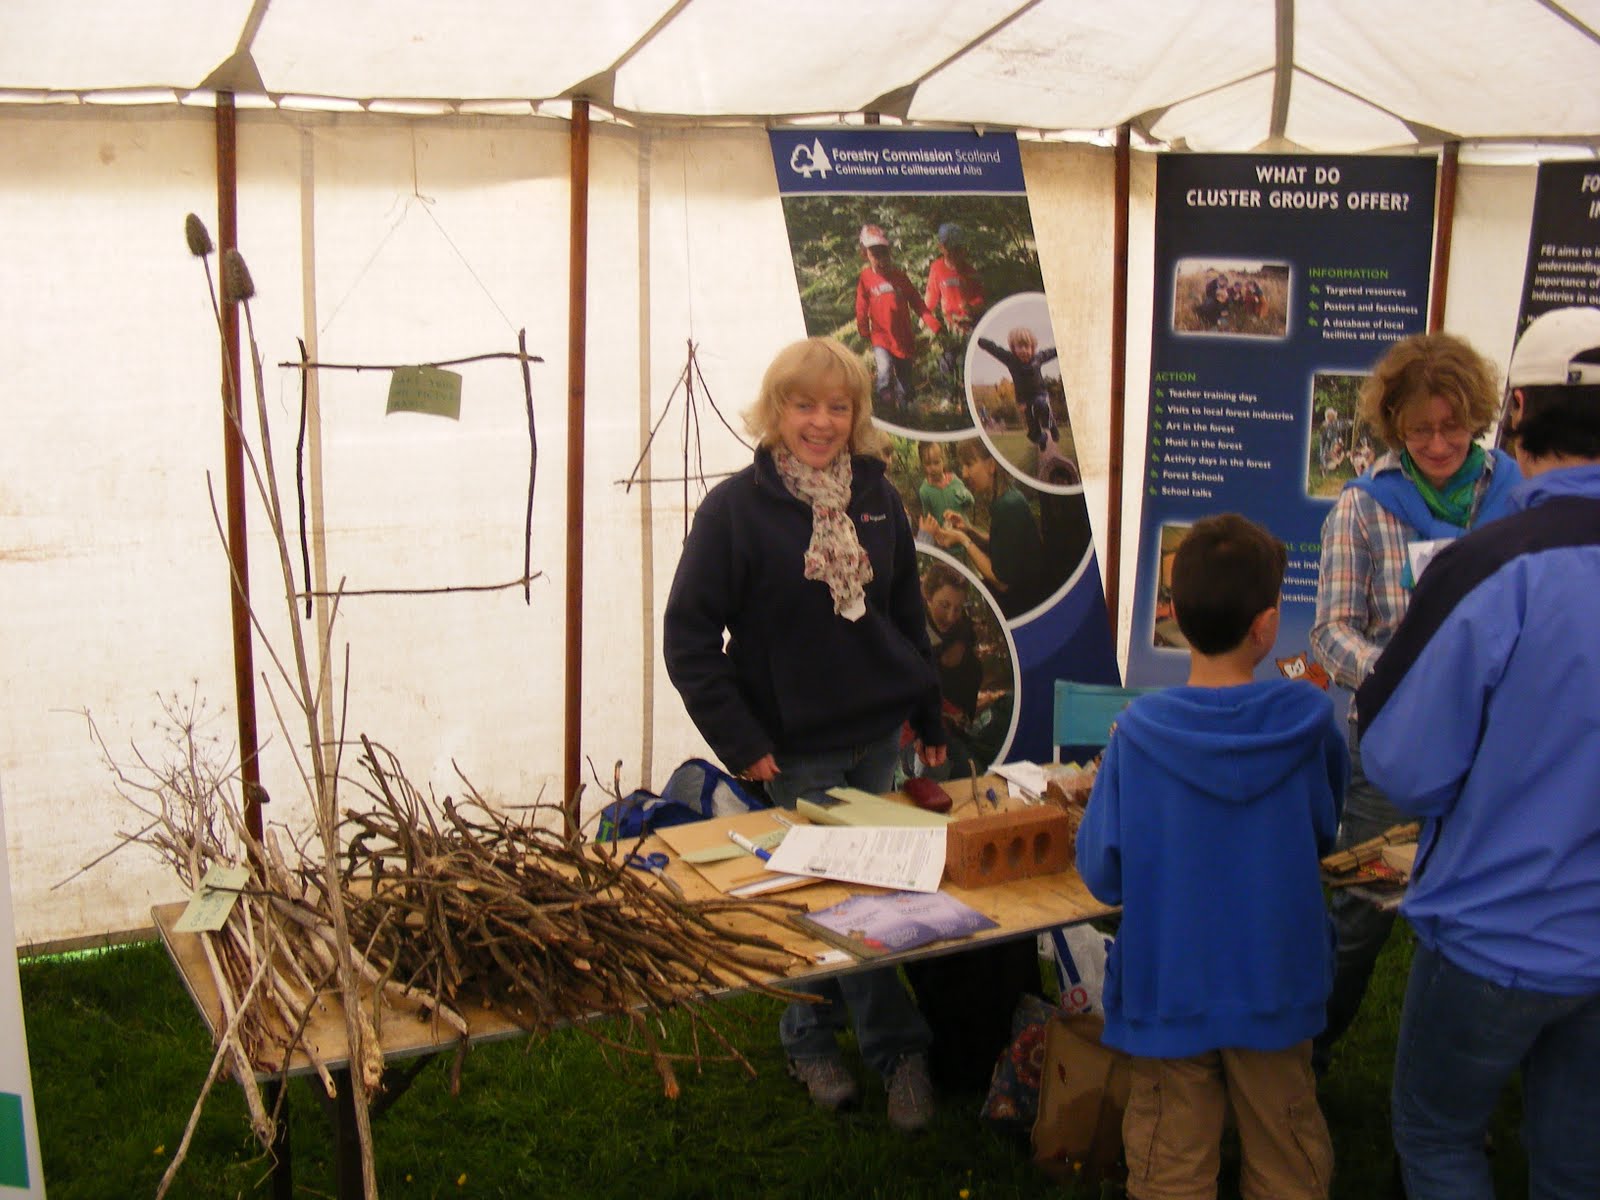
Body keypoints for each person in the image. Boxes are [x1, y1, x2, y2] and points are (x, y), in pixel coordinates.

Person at [662, 336, 947, 1132]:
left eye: (838, 405)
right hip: (796, 749)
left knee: (843, 897)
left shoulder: (879, 497)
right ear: (775, 409)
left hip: (877, 738)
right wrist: (742, 739)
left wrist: (926, 714)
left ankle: (806, 1034)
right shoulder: (735, 510)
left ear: (855, 414)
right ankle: (899, 1054)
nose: (821, 421)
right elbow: (689, 639)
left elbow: (902, 617)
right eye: (804, 404)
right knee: (851, 902)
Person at [1355, 306, 1600, 1200]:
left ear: (1518, 412)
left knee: (1439, 1135)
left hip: (1498, 931)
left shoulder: (1496, 564)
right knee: (1577, 1163)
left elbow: (1403, 764)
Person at [1076, 513, 1348, 1200]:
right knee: (1288, 1154)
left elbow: (1102, 874)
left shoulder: (1136, 736)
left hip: (1169, 981)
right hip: (1275, 976)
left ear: (1175, 619)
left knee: (1171, 1160)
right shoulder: (1311, 724)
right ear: (1266, 627)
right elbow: (1323, 828)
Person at [1308, 331, 1521, 1074]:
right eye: (1421, 429)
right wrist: (1401, 674)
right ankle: (1306, 1055)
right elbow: (1331, 633)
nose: (1438, 444)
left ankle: (1457, 1083)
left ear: (1479, 417)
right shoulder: (1364, 509)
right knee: (1360, 918)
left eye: (1453, 426)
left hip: (1494, 745)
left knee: (1475, 919)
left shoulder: (1512, 496)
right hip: (1394, 743)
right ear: (1394, 424)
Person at [932, 440, 1049, 619]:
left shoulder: (1008, 506)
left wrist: (963, 540)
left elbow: (1001, 581)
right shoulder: (1007, 497)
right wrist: (967, 530)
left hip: (1025, 609)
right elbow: (1001, 544)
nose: (963, 473)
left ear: (991, 465)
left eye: (969, 464)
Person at [856, 224, 940, 418]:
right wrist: (863, 330)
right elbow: (861, 306)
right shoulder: (866, 278)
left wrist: (933, 324)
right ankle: (886, 412)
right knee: (884, 374)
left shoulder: (900, 278)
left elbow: (918, 303)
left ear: (889, 253)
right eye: (874, 254)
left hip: (903, 338)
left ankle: (904, 415)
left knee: (905, 381)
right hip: (881, 338)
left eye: (883, 253)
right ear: (865, 254)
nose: (880, 259)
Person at [976, 326, 1060, 451]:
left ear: (1033, 348)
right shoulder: (1011, 360)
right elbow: (994, 349)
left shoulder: (1039, 357)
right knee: (1033, 431)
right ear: (1013, 349)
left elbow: (1053, 352)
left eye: (1027, 347)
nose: (1023, 351)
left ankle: (1051, 426)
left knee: (1041, 405)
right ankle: (1041, 439)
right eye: (1019, 347)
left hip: (1040, 395)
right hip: (1025, 401)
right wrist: (979, 340)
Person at [914, 441, 974, 555]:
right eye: (928, 463)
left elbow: (969, 503)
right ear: (922, 464)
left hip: (965, 539)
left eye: (936, 462)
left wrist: (966, 498)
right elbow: (929, 520)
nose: (933, 468)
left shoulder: (955, 480)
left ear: (943, 461)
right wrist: (937, 534)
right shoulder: (925, 491)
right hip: (947, 545)